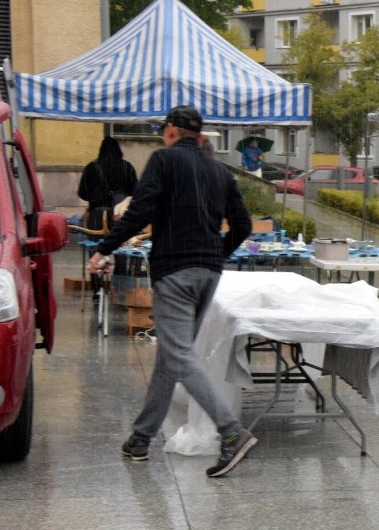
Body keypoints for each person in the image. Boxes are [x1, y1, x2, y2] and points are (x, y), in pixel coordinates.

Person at [86, 105, 256, 478]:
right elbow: (243, 225)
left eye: (162, 128)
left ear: (172, 131)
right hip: (208, 273)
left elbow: (137, 212)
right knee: (170, 356)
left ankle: (231, 432)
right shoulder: (220, 170)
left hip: (175, 271)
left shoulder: (163, 160)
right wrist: (215, 254)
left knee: (178, 354)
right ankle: (141, 438)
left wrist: (103, 248)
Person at [77, 136, 138, 300]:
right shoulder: (127, 167)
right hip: (120, 216)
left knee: (95, 251)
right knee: (122, 253)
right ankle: (119, 291)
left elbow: (82, 192)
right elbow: (136, 193)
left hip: (97, 215)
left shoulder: (91, 168)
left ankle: (97, 292)